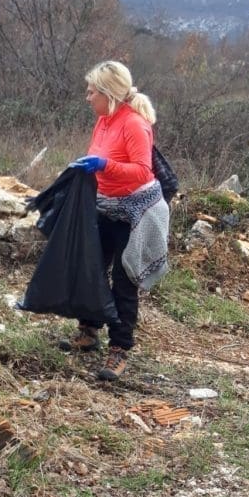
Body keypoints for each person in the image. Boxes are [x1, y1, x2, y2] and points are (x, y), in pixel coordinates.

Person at [61, 60, 169, 381]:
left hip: (135, 212)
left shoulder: (134, 124)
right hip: (106, 205)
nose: (87, 97)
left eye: (91, 92)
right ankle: (89, 331)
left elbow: (142, 171)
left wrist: (103, 165)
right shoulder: (104, 120)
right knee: (90, 267)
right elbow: (101, 160)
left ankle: (119, 349)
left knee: (124, 281)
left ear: (108, 94)